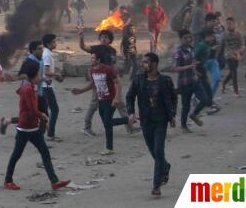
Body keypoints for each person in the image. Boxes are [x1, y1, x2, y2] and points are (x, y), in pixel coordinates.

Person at [3, 60, 70, 191]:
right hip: (25, 127)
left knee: (44, 153)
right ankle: (8, 180)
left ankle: (54, 181)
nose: (40, 77)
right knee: (17, 155)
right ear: (35, 75)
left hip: (32, 127)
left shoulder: (29, 86)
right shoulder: (28, 89)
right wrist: (42, 115)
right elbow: (32, 109)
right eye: (39, 75)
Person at [126, 53, 177, 197]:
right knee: (154, 152)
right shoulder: (138, 80)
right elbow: (129, 97)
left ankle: (156, 185)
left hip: (161, 121)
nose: (143, 64)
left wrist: (172, 115)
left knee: (158, 150)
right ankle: (165, 166)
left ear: (154, 64)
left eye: (146, 62)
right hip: (146, 121)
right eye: (142, 62)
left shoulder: (165, 81)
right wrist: (131, 113)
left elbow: (173, 97)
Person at [71, 47, 127, 155]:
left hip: (110, 99)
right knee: (107, 123)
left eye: (93, 58)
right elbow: (93, 84)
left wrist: (117, 97)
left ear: (99, 60)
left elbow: (118, 83)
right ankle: (128, 119)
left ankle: (109, 148)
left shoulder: (108, 69)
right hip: (101, 99)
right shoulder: (92, 70)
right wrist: (80, 91)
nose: (91, 60)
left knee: (107, 122)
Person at [79, 29, 130, 136]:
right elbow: (83, 47)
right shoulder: (96, 48)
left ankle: (130, 127)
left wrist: (116, 75)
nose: (103, 39)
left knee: (120, 102)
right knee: (95, 103)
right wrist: (81, 38)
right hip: (99, 78)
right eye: (102, 37)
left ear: (110, 40)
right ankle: (86, 127)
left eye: (106, 37)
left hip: (110, 78)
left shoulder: (112, 51)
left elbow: (112, 64)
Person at [171, 29, 209, 132]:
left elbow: (192, 64)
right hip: (184, 83)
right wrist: (189, 66)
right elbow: (175, 68)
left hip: (194, 80)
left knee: (205, 100)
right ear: (181, 39)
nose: (188, 39)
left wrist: (195, 71)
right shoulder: (178, 52)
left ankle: (194, 114)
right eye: (185, 38)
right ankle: (184, 126)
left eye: (189, 37)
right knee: (186, 106)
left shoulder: (191, 49)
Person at [41, 34, 63, 141]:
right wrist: (57, 75)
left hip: (46, 85)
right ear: (48, 44)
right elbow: (46, 72)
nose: (55, 44)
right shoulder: (47, 55)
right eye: (54, 42)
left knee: (44, 110)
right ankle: (50, 134)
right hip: (46, 86)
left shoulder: (48, 53)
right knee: (54, 110)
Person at [193, 29, 220, 114]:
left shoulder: (207, 45)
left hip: (202, 69)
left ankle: (209, 104)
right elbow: (193, 56)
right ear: (207, 37)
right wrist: (195, 70)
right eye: (212, 36)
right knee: (206, 88)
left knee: (205, 88)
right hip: (199, 69)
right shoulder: (201, 45)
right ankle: (210, 105)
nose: (213, 38)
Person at [220, 17, 244, 97]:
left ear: (234, 24)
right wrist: (217, 58)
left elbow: (242, 45)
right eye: (227, 24)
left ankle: (223, 83)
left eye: (230, 23)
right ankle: (236, 92)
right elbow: (221, 46)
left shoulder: (238, 34)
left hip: (236, 55)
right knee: (234, 72)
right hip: (228, 55)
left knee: (232, 72)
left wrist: (240, 51)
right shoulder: (225, 34)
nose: (229, 25)